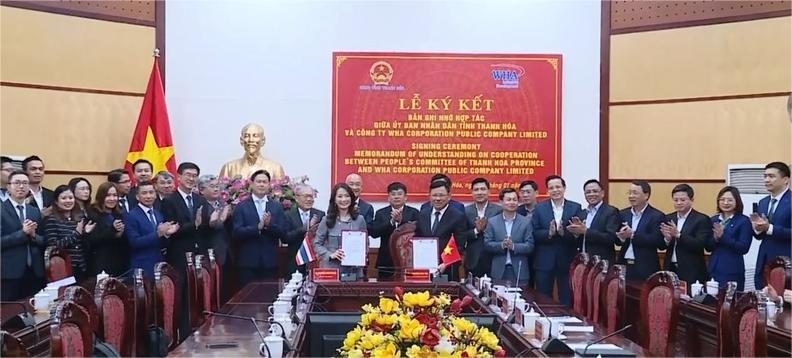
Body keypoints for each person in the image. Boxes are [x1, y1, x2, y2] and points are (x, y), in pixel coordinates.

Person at [531, 175, 582, 305]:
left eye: (558, 187)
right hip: (544, 259)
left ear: (564, 188)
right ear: (547, 191)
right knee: (543, 297)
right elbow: (534, 233)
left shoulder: (575, 207)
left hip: (567, 258)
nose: (555, 190)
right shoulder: (539, 208)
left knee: (566, 297)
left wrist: (563, 233)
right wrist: (549, 233)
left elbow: (578, 235)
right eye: (551, 188)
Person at [232, 170, 288, 286]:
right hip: (248, 262)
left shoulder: (276, 206)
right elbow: (236, 233)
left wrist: (268, 226)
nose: (261, 185)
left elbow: (283, 233)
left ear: (269, 185)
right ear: (251, 184)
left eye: (265, 182)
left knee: (268, 297)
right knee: (247, 299)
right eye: (258, 182)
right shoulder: (241, 207)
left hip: (270, 262)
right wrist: (257, 228)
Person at [1, 170, 46, 300]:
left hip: (34, 271)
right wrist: (22, 233)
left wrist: (33, 236)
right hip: (9, 273)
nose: (21, 186)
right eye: (17, 183)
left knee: (33, 312)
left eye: (25, 183)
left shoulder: (34, 211)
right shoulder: (1, 210)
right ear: (8, 187)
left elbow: (43, 239)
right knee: (9, 314)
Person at [415, 179, 469, 281]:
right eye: (434, 195)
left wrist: (446, 263)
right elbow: (418, 238)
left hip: (448, 269)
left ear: (449, 196)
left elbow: (460, 244)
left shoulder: (458, 216)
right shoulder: (422, 214)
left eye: (441, 195)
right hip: (424, 269)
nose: (438, 199)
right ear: (429, 196)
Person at [161, 162, 211, 271]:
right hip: (179, 255)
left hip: (200, 254)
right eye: (188, 175)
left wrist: (214, 221)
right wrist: (194, 224)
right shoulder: (169, 200)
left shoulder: (201, 199)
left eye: (194, 176)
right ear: (178, 177)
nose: (191, 179)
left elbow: (205, 227)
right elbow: (172, 230)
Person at [312, 183, 367, 277]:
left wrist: (362, 256)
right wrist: (330, 254)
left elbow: (366, 244)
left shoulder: (360, 219)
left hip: (354, 271)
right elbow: (316, 244)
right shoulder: (326, 220)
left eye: (347, 196)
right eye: (340, 196)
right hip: (332, 270)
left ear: (352, 199)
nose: (343, 200)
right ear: (334, 200)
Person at [660, 184, 712, 285]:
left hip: (692, 270)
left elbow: (699, 244)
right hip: (670, 268)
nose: (679, 203)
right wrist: (667, 239)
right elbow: (661, 246)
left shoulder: (701, 219)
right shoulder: (668, 218)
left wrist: (678, 235)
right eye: (676, 200)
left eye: (683, 200)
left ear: (691, 200)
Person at [125, 181, 178, 278]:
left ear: (155, 195)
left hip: (158, 265)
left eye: (151, 192)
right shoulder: (131, 215)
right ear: (137, 196)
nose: (148, 196)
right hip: (141, 266)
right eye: (144, 193)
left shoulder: (158, 214)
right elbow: (134, 242)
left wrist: (167, 234)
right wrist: (158, 234)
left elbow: (161, 243)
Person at [615, 180, 666, 282]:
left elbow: (657, 240)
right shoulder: (623, 213)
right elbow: (617, 241)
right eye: (629, 193)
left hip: (645, 266)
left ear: (646, 195)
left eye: (635, 193)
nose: (631, 196)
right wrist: (621, 237)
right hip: (623, 264)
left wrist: (633, 234)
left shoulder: (656, 215)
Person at [43, 185, 94, 282]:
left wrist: (86, 233)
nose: (68, 201)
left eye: (71, 198)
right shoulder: (51, 220)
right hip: (63, 268)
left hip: (81, 266)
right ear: (56, 201)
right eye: (63, 198)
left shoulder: (79, 217)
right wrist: (76, 234)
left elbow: (83, 245)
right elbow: (53, 246)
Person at [752, 161, 791, 289]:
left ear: (785, 180)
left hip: (786, 260)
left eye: (771, 176)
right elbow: (760, 235)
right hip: (764, 259)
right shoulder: (763, 202)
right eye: (765, 176)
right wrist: (757, 229)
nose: (767, 180)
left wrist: (769, 228)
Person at [484, 188, 533, 286]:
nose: (512, 202)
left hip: (519, 271)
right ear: (501, 202)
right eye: (508, 199)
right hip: (499, 271)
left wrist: (513, 246)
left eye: (514, 200)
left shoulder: (526, 222)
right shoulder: (492, 222)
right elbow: (487, 244)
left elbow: (530, 245)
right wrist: (502, 245)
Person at [706, 186, 752, 291]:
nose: (725, 203)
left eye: (730, 200)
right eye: (722, 199)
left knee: (730, 304)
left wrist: (723, 237)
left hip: (732, 270)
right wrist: (715, 238)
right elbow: (708, 247)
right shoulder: (713, 220)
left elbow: (744, 248)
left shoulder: (743, 221)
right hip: (713, 268)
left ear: (737, 201)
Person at [369, 182, 419, 278]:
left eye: (400, 194)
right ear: (388, 198)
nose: (396, 197)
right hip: (386, 260)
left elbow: (417, 232)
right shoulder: (381, 213)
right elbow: (374, 233)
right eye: (393, 194)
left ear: (405, 197)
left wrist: (401, 221)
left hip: (408, 260)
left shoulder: (414, 213)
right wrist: (391, 222)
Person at [565, 179, 620, 264]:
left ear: (602, 193)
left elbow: (611, 238)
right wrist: (575, 233)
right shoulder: (581, 213)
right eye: (588, 192)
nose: (591, 194)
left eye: (595, 191)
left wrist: (586, 231)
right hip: (582, 262)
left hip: (601, 263)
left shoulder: (611, 212)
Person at [197, 174, 233, 301]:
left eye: (217, 186)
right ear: (201, 190)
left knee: (227, 290)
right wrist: (217, 222)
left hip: (226, 252)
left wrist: (227, 218)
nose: (216, 189)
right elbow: (199, 229)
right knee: (211, 293)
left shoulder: (224, 204)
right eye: (212, 186)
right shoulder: (199, 205)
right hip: (208, 252)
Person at [86, 182, 129, 277]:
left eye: (115, 195)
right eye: (108, 195)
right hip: (100, 262)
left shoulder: (119, 214)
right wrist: (112, 230)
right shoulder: (93, 213)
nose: (112, 199)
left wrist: (121, 234)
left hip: (119, 261)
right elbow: (93, 239)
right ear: (101, 197)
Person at [283, 183, 324, 277]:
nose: (309, 199)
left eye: (311, 196)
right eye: (306, 196)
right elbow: (285, 238)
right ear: (297, 198)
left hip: (315, 262)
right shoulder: (288, 215)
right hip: (295, 262)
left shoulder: (320, 215)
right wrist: (303, 229)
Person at [464, 177, 502, 277]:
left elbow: (501, 233)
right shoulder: (465, 211)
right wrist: (476, 230)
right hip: (472, 259)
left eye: (483, 189)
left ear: (489, 191)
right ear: (472, 192)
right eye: (476, 190)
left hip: (493, 258)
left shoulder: (499, 210)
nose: (479, 192)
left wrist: (486, 229)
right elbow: (462, 235)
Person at [219, 123, 285, 180]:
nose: (251, 140)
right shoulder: (229, 167)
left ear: (263, 141)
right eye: (247, 136)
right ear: (241, 140)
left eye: (255, 136)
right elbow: (221, 192)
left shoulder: (276, 168)